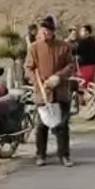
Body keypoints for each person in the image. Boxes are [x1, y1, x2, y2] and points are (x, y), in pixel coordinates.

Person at [25, 16, 76, 167]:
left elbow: (71, 66)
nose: (44, 33)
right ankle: (41, 155)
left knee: (62, 125)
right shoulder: (34, 48)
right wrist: (39, 83)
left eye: (47, 31)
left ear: (53, 32)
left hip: (61, 91)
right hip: (43, 92)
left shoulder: (64, 47)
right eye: (42, 31)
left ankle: (64, 156)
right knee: (42, 125)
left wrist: (58, 77)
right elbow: (28, 68)